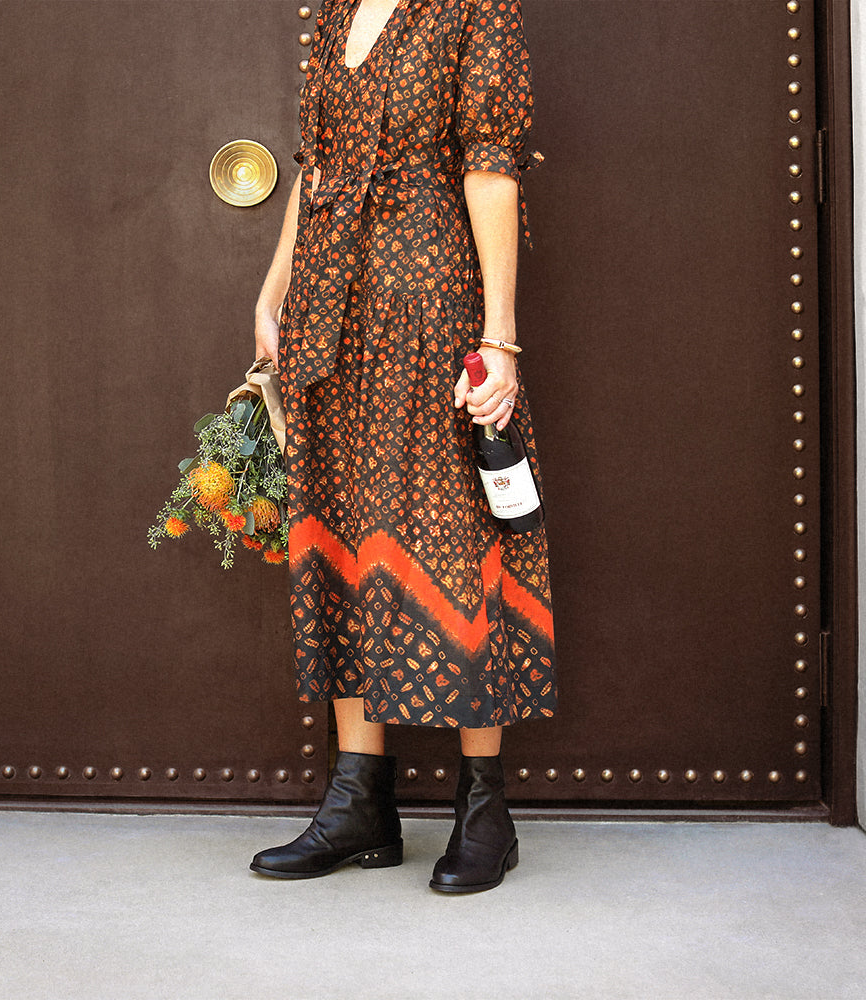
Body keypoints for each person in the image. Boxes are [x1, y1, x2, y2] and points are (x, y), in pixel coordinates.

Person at [249, 0, 556, 894]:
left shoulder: (474, 7)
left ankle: (484, 810)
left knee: (457, 537)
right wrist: (273, 293)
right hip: (328, 315)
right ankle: (359, 803)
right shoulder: (338, 9)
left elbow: (493, 166)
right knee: (340, 532)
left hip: (430, 298)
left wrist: (498, 337)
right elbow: (317, 169)